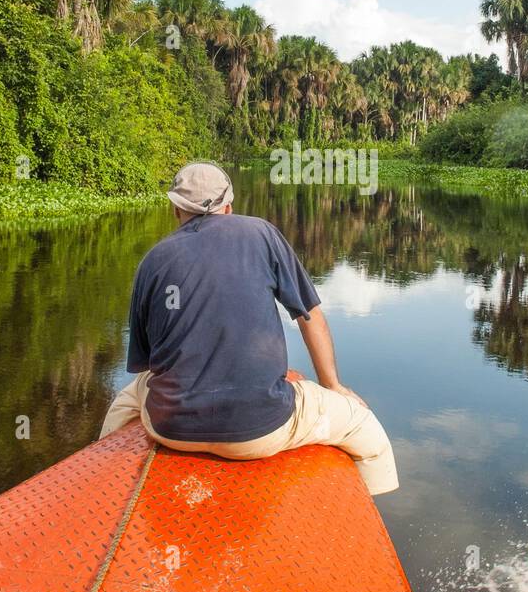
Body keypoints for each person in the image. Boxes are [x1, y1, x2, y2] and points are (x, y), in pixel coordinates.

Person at [100, 161, 398, 496]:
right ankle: (366, 532)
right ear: (229, 206)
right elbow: (308, 315)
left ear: (175, 209)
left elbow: (148, 364)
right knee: (364, 428)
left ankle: (108, 490)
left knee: (124, 403)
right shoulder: (262, 233)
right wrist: (333, 385)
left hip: (170, 429)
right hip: (263, 428)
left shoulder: (152, 261)